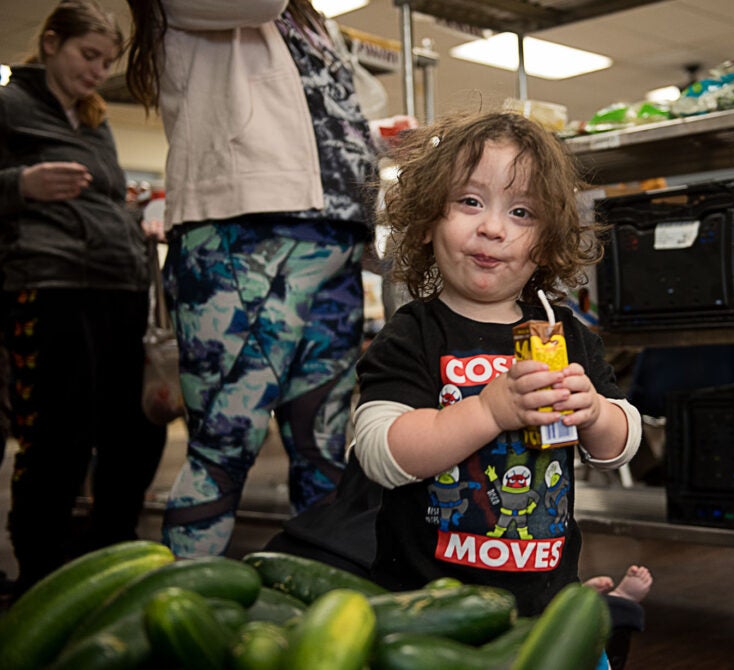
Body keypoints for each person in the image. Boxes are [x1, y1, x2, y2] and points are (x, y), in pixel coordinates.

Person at [267, 111, 642, 621]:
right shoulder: (413, 333)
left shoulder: (566, 334)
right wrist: (488, 411)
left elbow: (619, 450)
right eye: (470, 202)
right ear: (425, 223)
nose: (492, 228)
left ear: (547, 241)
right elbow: (379, 453)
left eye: (522, 213)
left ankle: (601, 609)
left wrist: (596, 413)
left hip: (540, 599)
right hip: (425, 606)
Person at [124, 0, 402, 557]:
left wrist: (370, 144)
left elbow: (304, 124)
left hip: (332, 239)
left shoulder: (312, 20)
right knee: (225, 442)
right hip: (242, 234)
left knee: (323, 451)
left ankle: (314, 612)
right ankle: (185, 612)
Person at [0, 0, 166, 594]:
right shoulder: (10, 105)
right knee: (58, 434)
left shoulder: (95, 122)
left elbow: (104, 202)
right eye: (87, 55)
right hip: (48, 284)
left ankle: (109, 555)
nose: (97, 71)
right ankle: (42, 574)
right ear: (50, 43)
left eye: (106, 61)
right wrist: (22, 183)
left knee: (133, 429)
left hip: (120, 284)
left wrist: (135, 219)